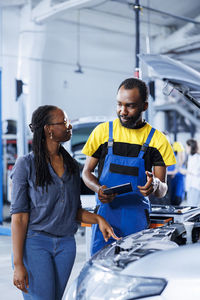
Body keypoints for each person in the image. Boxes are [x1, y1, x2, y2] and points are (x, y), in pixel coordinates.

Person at [10, 105, 119, 300]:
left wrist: (98, 219)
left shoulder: (70, 165)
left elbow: (73, 211)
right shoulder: (25, 164)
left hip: (66, 245)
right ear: (48, 129)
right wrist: (18, 264)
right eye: (64, 122)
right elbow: (19, 217)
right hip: (35, 243)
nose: (69, 126)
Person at [82, 77, 176, 255]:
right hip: (105, 215)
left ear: (144, 106)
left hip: (137, 219)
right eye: (119, 104)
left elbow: (163, 189)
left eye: (130, 106)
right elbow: (86, 172)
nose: (122, 111)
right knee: (101, 267)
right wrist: (98, 188)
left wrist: (155, 185)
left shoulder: (157, 140)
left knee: (134, 267)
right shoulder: (102, 132)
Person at [180, 139, 200, 206]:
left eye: (186, 147)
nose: (185, 149)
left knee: (192, 206)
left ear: (190, 147)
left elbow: (196, 172)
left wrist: (185, 171)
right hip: (190, 185)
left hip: (194, 185)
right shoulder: (190, 157)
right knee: (190, 204)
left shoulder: (197, 157)